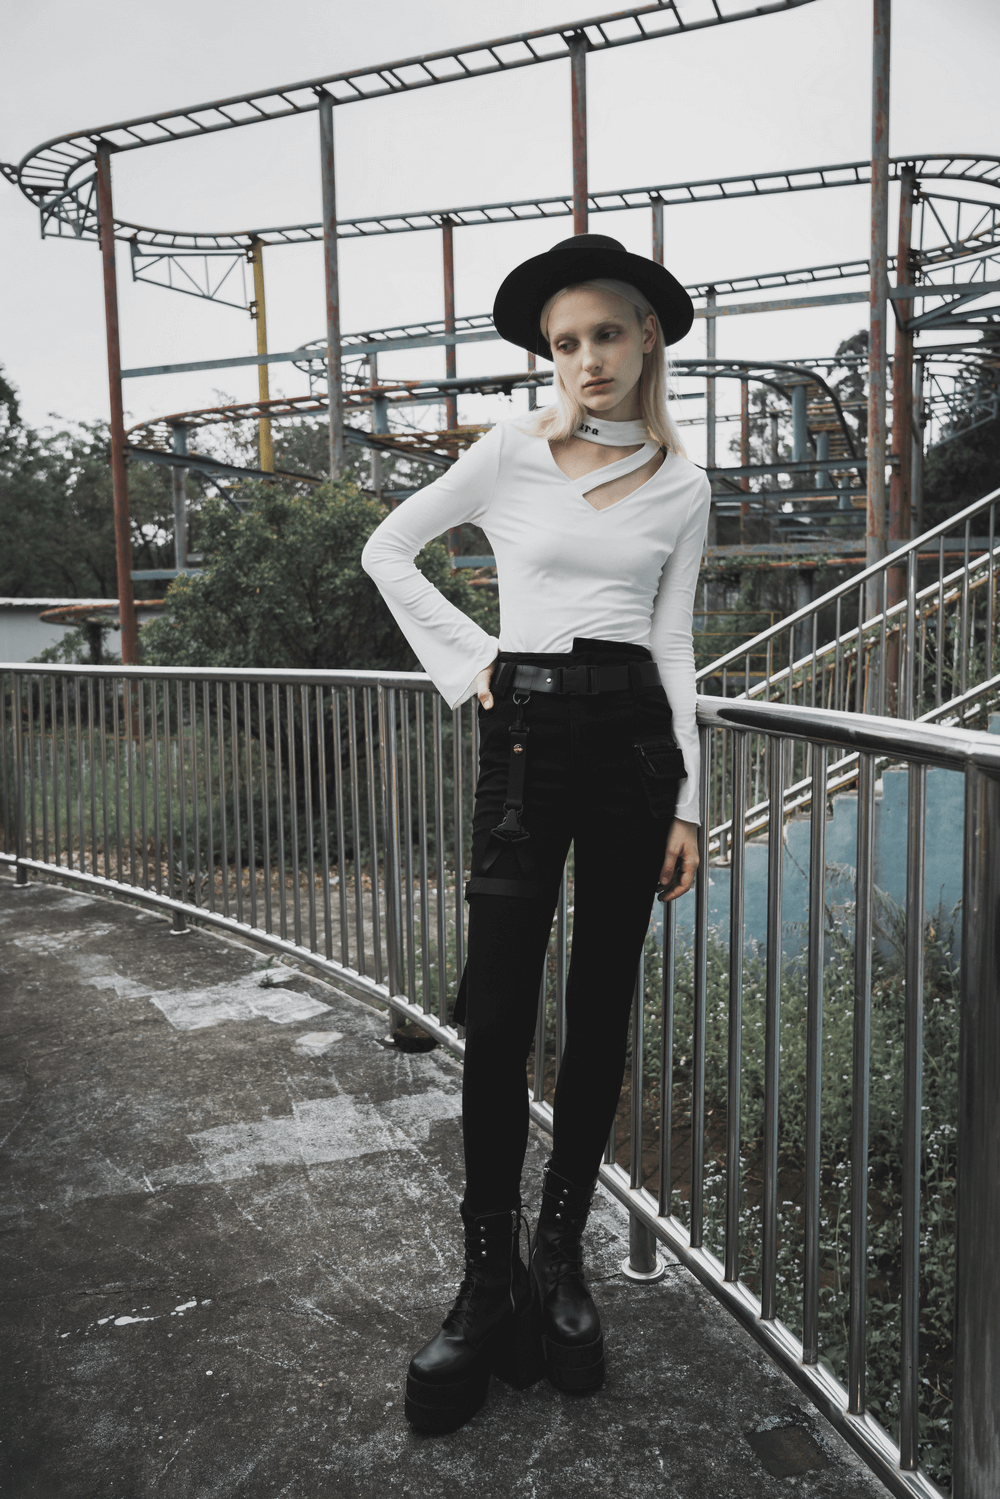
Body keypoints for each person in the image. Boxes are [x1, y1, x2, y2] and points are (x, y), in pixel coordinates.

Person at [361, 232, 711, 1434]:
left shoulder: (682, 480)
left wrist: (688, 799)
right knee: (499, 1010)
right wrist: (473, 667)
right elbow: (388, 549)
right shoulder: (508, 450)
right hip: (522, 743)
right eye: (563, 343)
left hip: (632, 752)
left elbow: (672, 647)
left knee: (602, 1005)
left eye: (605, 334)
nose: (585, 360)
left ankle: (559, 1260)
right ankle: (481, 1277)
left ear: (647, 335)